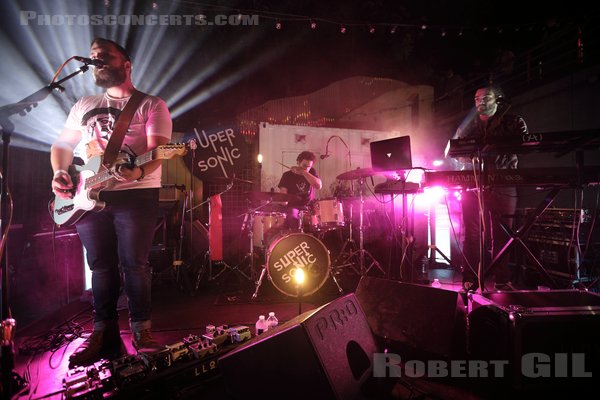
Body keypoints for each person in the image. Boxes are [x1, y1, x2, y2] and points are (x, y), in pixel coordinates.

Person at [50, 38, 172, 366]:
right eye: (92, 57)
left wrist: (138, 171)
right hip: (89, 196)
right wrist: (61, 172)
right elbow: (62, 145)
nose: (96, 61)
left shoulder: (151, 105)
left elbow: (161, 150)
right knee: (100, 266)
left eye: (104, 56)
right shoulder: (84, 105)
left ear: (126, 64)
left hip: (136, 195)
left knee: (135, 264)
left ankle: (142, 331)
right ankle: (103, 333)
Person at [454, 85, 528, 291]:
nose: (481, 102)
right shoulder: (469, 127)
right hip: (474, 182)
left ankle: (501, 278)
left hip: (503, 181)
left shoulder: (513, 121)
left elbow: (523, 145)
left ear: (499, 100)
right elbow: (456, 151)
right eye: (477, 99)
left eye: (486, 98)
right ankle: (470, 276)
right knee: (471, 233)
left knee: (502, 232)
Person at [277, 151, 323, 230]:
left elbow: (318, 186)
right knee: (293, 216)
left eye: (309, 166)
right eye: (304, 165)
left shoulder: (311, 172)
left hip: (309, 208)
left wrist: (304, 172)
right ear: (298, 162)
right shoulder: (287, 175)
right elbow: (283, 197)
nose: (306, 168)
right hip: (293, 207)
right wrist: (283, 200)